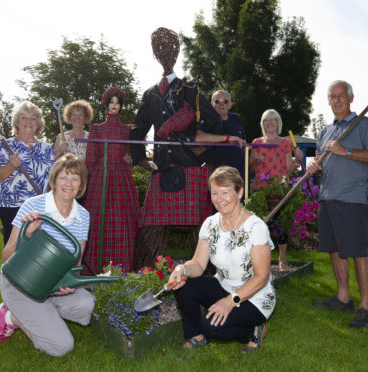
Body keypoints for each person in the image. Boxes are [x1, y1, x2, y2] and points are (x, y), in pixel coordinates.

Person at [130, 27, 222, 270]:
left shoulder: (190, 90)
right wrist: (141, 159)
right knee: (151, 226)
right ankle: (147, 277)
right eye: (158, 47)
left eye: (168, 46)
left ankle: (204, 277)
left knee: (201, 229)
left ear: (177, 51)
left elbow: (214, 120)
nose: (163, 51)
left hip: (191, 169)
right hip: (161, 169)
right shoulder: (150, 94)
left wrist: (201, 148)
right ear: (154, 53)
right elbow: (138, 131)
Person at [0, 154, 94, 357]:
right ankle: (12, 317)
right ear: (54, 181)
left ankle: (42, 312)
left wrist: (68, 284)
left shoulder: (83, 216)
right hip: (20, 283)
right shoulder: (33, 206)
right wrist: (26, 234)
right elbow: (5, 257)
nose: (68, 183)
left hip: (50, 285)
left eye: (75, 179)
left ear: (81, 185)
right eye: (63, 177)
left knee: (85, 305)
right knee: (62, 347)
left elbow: (76, 261)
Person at [167, 166, 275, 354]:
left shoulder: (256, 227)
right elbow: (199, 264)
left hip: (255, 296)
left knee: (212, 327)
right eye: (214, 193)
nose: (219, 199)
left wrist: (229, 301)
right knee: (184, 284)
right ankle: (195, 337)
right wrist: (181, 270)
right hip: (224, 286)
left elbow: (261, 278)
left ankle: (254, 331)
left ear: (239, 192)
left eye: (225, 192)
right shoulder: (210, 224)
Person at [307, 80, 368, 328]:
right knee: (335, 250)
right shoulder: (325, 131)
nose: (337, 100)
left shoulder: (364, 124)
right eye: (332, 96)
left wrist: (347, 152)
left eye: (341, 96)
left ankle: (366, 308)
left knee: (357, 253)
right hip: (327, 197)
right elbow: (324, 161)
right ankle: (343, 298)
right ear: (328, 101)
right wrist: (314, 166)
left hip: (351, 199)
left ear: (351, 98)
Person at [83, 87, 140, 273]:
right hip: (101, 177)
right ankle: (95, 266)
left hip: (122, 177)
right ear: (106, 105)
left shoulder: (127, 129)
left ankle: (122, 267)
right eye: (112, 102)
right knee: (99, 220)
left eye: (118, 103)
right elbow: (90, 159)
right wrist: (87, 184)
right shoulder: (97, 129)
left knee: (122, 219)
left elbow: (134, 154)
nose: (115, 106)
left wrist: (130, 159)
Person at [0, 101, 55, 245]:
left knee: (38, 251)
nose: (29, 122)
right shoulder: (5, 146)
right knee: (15, 251)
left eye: (33, 118)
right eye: (24, 118)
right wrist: (10, 166)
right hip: (13, 207)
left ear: (38, 123)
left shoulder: (47, 149)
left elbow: (51, 181)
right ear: (17, 122)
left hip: (40, 207)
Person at [249, 109, 300, 271]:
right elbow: (249, 168)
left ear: (278, 123)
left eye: (273, 120)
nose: (270, 123)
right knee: (261, 226)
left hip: (280, 188)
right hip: (261, 190)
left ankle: (282, 259)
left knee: (281, 224)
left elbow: (289, 169)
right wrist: (256, 160)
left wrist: (297, 160)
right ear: (262, 124)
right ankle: (262, 261)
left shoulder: (285, 143)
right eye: (266, 120)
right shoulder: (256, 142)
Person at [196, 90, 247, 179]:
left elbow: (243, 140)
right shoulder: (207, 121)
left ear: (230, 104)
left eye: (225, 101)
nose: (221, 104)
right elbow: (197, 137)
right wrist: (228, 138)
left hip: (240, 171)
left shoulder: (236, 118)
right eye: (217, 101)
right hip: (219, 174)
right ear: (212, 104)